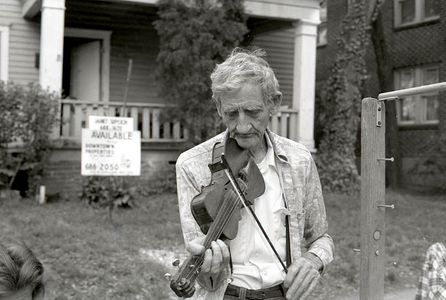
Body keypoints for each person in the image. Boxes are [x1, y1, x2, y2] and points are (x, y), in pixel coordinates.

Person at [175, 48, 334, 300]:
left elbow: (321, 238)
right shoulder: (192, 164)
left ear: (274, 103)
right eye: (231, 114)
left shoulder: (299, 160)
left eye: (253, 111)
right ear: (218, 108)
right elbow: (203, 265)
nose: (242, 126)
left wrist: (314, 260)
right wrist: (205, 266)